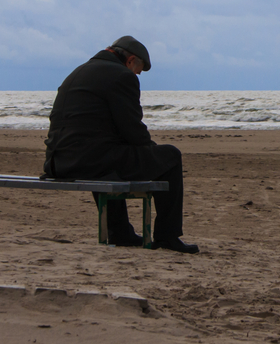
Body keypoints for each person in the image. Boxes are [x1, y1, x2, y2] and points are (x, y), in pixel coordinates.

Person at [42, 36, 199, 253]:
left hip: (58, 162)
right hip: (90, 161)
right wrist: (150, 149)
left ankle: (120, 232)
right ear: (130, 60)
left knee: (111, 155)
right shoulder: (121, 76)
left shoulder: (79, 72)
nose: (137, 75)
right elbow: (132, 128)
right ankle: (167, 236)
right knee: (170, 157)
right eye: (139, 70)